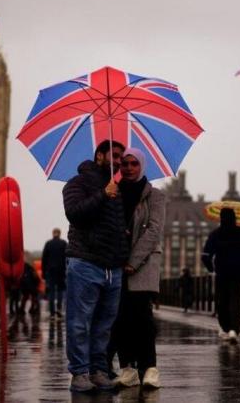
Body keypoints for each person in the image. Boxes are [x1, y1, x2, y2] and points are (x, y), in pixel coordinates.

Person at [63, 139, 129, 393]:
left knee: (104, 326)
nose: (118, 160)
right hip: (85, 262)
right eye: (114, 154)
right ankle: (79, 374)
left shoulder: (117, 187)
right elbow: (75, 213)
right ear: (99, 155)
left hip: (113, 266)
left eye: (121, 157)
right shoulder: (77, 183)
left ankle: (98, 371)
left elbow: (110, 224)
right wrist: (103, 194)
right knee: (80, 323)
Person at [109, 147, 165, 388]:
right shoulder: (113, 193)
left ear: (141, 166)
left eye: (133, 164)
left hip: (142, 265)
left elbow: (154, 230)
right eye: (124, 163)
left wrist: (133, 262)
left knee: (143, 318)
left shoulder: (155, 195)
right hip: (117, 264)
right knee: (121, 319)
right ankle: (128, 369)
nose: (129, 168)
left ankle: (150, 368)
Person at [202, 208, 240, 343]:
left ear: (221, 218)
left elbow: (205, 255)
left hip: (222, 272)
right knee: (236, 300)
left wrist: (211, 268)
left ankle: (225, 328)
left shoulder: (216, 234)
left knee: (223, 300)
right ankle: (234, 329)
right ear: (234, 217)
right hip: (239, 271)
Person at [42, 228, 68, 319]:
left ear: (53, 233)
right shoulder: (64, 243)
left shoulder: (48, 244)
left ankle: (52, 313)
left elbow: (44, 259)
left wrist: (43, 275)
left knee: (51, 292)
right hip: (61, 271)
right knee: (60, 290)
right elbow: (67, 258)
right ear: (60, 234)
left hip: (50, 271)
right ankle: (59, 309)